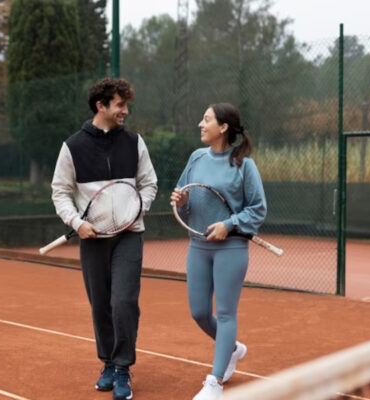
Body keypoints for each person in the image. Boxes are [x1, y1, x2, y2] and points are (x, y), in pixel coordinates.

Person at [51, 78, 158, 400]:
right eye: (120, 105)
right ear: (101, 106)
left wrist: (135, 213)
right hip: (92, 239)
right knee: (100, 306)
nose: (126, 111)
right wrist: (76, 223)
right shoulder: (72, 147)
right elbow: (60, 191)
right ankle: (108, 363)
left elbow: (149, 184)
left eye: (126, 105)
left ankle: (123, 367)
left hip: (129, 238)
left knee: (123, 302)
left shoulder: (135, 142)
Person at [170, 103, 266, 400]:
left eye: (207, 120)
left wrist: (229, 223)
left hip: (231, 248)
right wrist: (181, 201)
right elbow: (184, 199)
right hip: (197, 246)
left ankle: (214, 383)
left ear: (223, 127)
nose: (201, 124)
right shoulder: (196, 158)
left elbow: (258, 209)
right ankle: (233, 349)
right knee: (199, 312)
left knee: (225, 314)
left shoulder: (244, 165)